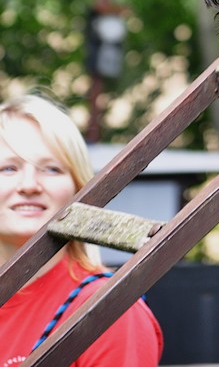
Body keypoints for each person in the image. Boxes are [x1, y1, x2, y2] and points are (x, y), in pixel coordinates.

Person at [0, 94, 164, 366]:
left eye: (51, 169)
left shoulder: (107, 312)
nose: (29, 185)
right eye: (8, 168)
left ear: (78, 187)